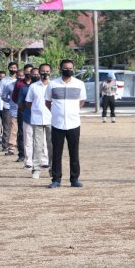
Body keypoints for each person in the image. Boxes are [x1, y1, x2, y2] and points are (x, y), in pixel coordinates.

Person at [45, 59, 86, 188]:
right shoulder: (53, 84)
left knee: (74, 152)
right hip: (57, 123)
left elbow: (82, 101)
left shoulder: (79, 84)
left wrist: (72, 111)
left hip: (74, 123)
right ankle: (56, 179)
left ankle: (74, 179)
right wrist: (57, 112)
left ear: (73, 69)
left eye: (70, 68)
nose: (68, 70)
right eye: (65, 68)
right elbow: (48, 102)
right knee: (56, 152)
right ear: (60, 69)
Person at [26, 64, 53, 178]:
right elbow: (28, 102)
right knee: (37, 145)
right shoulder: (33, 86)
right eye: (42, 71)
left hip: (52, 119)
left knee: (51, 145)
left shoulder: (54, 85)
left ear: (50, 72)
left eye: (47, 71)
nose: (44, 73)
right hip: (37, 119)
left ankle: (53, 168)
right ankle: (36, 169)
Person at [18, 67, 35, 169]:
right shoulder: (24, 88)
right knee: (28, 140)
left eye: (38, 74)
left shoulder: (47, 87)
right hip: (28, 118)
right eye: (33, 74)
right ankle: (28, 161)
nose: (36, 76)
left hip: (43, 119)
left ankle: (44, 160)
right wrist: (26, 111)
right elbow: (20, 103)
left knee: (43, 142)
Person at [0, 61, 18, 154]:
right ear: (8, 68)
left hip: (21, 109)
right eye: (12, 67)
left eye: (15, 68)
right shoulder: (5, 81)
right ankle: (6, 145)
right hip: (8, 107)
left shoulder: (22, 82)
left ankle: (18, 145)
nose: (13, 69)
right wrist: (10, 101)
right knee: (7, 127)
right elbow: (1, 94)